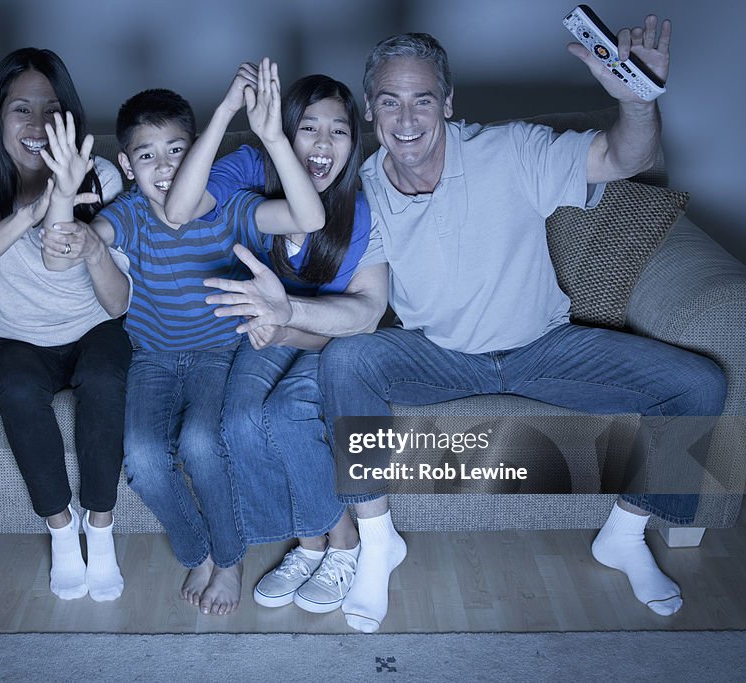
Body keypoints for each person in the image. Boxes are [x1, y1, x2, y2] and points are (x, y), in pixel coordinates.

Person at [207, 18, 727, 633]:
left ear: (448, 103)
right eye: (390, 102)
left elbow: (624, 155)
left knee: (700, 386)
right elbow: (367, 311)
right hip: (438, 354)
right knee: (348, 360)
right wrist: (288, 312)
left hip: (543, 345)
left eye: (423, 100)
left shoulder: (513, 150)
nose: (407, 119)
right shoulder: (363, 193)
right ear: (371, 112)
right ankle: (376, 547)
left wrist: (637, 100)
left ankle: (625, 533)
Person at [41, 62, 325, 616]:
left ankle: (231, 555)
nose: (165, 166)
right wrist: (63, 195)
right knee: (144, 458)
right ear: (126, 164)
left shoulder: (230, 208)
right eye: (147, 155)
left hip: (222, 353)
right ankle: (202, 550)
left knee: (200, 443)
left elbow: (307, 217)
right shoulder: (126, 215)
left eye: (178, 150)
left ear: (199, 152)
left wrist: (240, 118)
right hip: (153, 357)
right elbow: (62, 254)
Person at [168, 69, 386, 613]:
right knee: (237, 421)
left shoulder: (361, 207)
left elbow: (364, 316)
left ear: (353, 142)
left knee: (286, 415)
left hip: (330, 344)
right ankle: (311, 543)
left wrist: (289, 321)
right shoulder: (251, 169)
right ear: (284, 132)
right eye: (307, 128)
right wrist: (226, 115)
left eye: (338, 131)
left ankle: (343, 544)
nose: (323, 143)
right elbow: (179, 210)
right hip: (268, 333)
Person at [0, 47, 132, 603]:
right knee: (19, 389)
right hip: (13, 336)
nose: (39, 126)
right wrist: (33, 206)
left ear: (70, 116)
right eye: (22, 109)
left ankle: (101, 528)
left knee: (106, 380)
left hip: (92, 327)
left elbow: (116, 306)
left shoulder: (105, 176)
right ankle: (62, 531)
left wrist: (88, 238)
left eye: (52, 110)